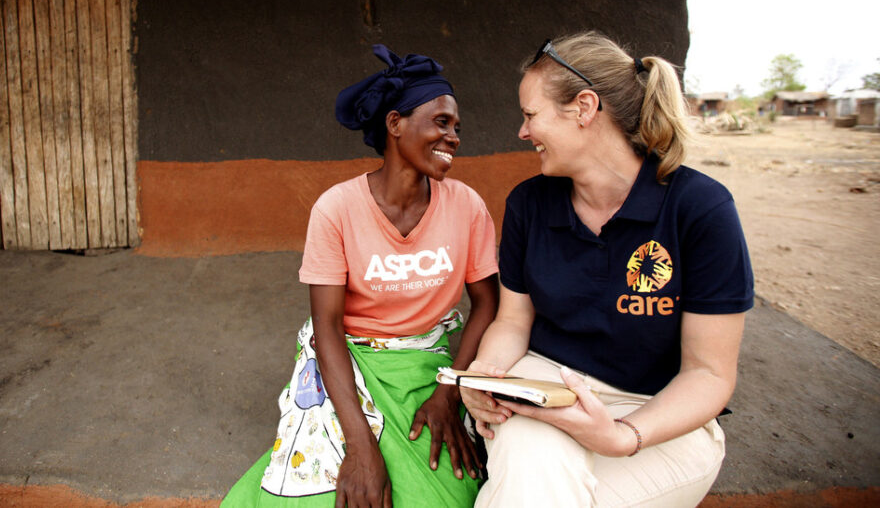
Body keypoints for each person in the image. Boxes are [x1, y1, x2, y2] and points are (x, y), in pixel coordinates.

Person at [462, 32, 754, 507]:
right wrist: (487, 376)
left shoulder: (698, 209)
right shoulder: (529, 204)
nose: (522, 131)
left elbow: (709, 374)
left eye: (530, 115)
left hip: (660, 416)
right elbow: (513, 320)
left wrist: (624, 436)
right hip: (549, 388)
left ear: (583, 107)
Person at [223, 44, 500, 508]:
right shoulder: (337, 209)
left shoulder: (467, 206)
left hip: (425, 364)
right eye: (441, 122)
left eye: (456, 127)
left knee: (443, 492)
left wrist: (449, 390)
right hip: (345, 362)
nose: (454, 136)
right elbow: (327, 328)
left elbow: (487, 305)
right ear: (395, 124)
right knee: (321, 497)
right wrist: (359, 444)